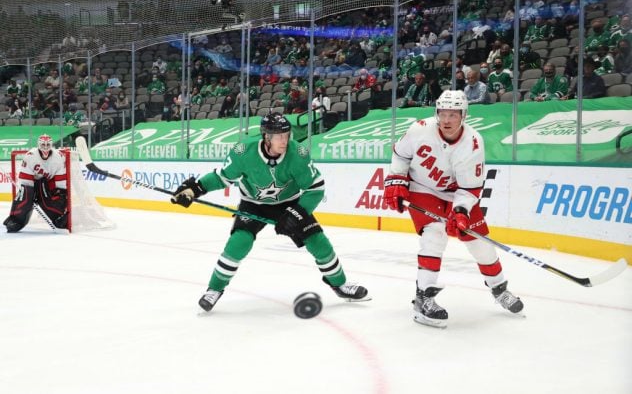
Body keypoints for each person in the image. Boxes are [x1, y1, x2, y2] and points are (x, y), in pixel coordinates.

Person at [171, 113, 370, 312]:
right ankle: (214, 289)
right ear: (266, 137)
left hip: (289, 204)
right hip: (253, 204)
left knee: (318, 242)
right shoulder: (243, 152)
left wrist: (296, 213)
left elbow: (316, 188)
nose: (285, 140)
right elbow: (222, 178)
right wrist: (195, 189)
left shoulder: (298, 153)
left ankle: (341, 285)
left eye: (287, 134)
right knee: (239, 243)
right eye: (279, 136)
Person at [382, 90, 523, 328]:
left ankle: (499, 289)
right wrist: (396, 178)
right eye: (443, 114)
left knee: (481, 245)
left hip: (458, 192)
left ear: (463, 116)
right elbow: (400, 154)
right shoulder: (419, 130)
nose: (447, 120)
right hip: (423, 188)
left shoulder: (473, 144)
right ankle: (423, 298)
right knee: (434, 235)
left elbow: (470, 189)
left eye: (453, 115)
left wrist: (460, 211)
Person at [3, 134, 68, 232]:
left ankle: (58, 217)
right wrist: (30, 195)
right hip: (32, 183)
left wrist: (60, 194)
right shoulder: (30, 156)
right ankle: (16, 220)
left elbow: (61, 181)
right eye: (43, 144)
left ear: (51, 144)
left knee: (59, 197)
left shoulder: (59, 157)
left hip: (48, 185)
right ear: (38, 144)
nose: (45, 147)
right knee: (25, 196)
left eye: (47, 144)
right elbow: (25, 179)